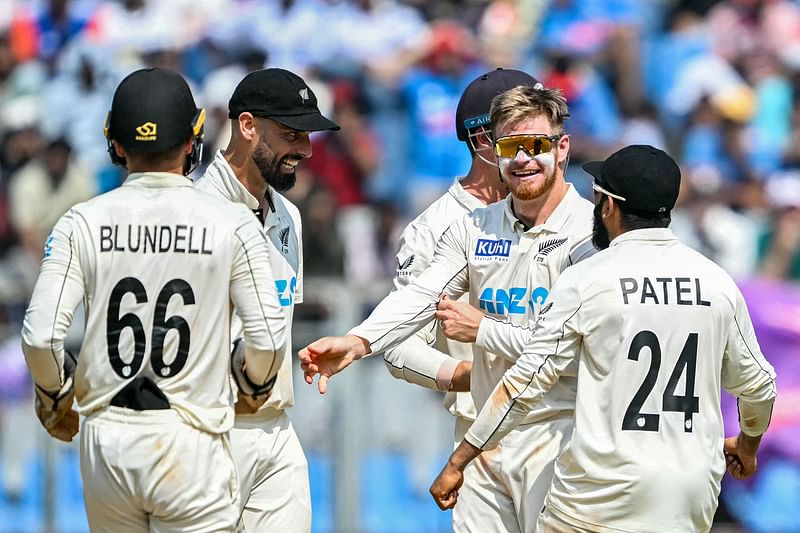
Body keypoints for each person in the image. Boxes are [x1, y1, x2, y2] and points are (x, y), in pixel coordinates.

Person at [430, 145, 778, 533]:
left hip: (598, 499)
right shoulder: (716, 282)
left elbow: (525, 383)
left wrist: (459, 459)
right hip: (688, 498)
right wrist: (747, 446)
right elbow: (760, 386)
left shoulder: (588, 280)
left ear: (609, 206)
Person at [300, 84, 595, 532]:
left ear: (562, 146)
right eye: (511, 147)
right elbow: (420, 297)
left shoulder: (591, 234)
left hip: (561, 433)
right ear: (490, 148)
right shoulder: (471, 228)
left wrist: (483, 330)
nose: (523, 159)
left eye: (536, 145)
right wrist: (357, 342)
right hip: (480, 440)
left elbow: (568, 351)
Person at [20, 67, 288, 532]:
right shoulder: (233, 223)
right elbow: (266, 338)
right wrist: (253, 386)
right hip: (192, 438)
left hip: (107, 440)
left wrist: (54, 395)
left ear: (115, 145)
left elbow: (41, 338)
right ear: (193, 140)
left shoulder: (80, 221)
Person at [382, 67, 542, 526]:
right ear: (483, 140)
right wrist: (467, 375)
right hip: (482, 442)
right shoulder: (435, 229)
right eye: (520, 133)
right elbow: (397, 344)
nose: (537, 147)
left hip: (564, 431)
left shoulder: (573, 217)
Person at [193, 67, 339, 533]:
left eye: (308, 135)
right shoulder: (195, 212)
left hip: (277, 429)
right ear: (248, 125)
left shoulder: (288, 217)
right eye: (291, 134)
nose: (305, 149)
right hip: (207, 431)